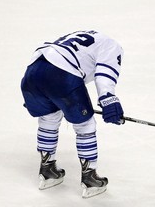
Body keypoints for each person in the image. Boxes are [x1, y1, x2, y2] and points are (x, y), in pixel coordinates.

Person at [20, 30, 124, 198]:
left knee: (48, 117)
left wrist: (39, 93)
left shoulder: (81, 36)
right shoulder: (112, 45)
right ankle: (90, 180)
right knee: (85, 125)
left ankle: (47, 172)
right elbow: (105, 74)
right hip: (61, 75)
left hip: (32, 71)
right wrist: (108, 99)